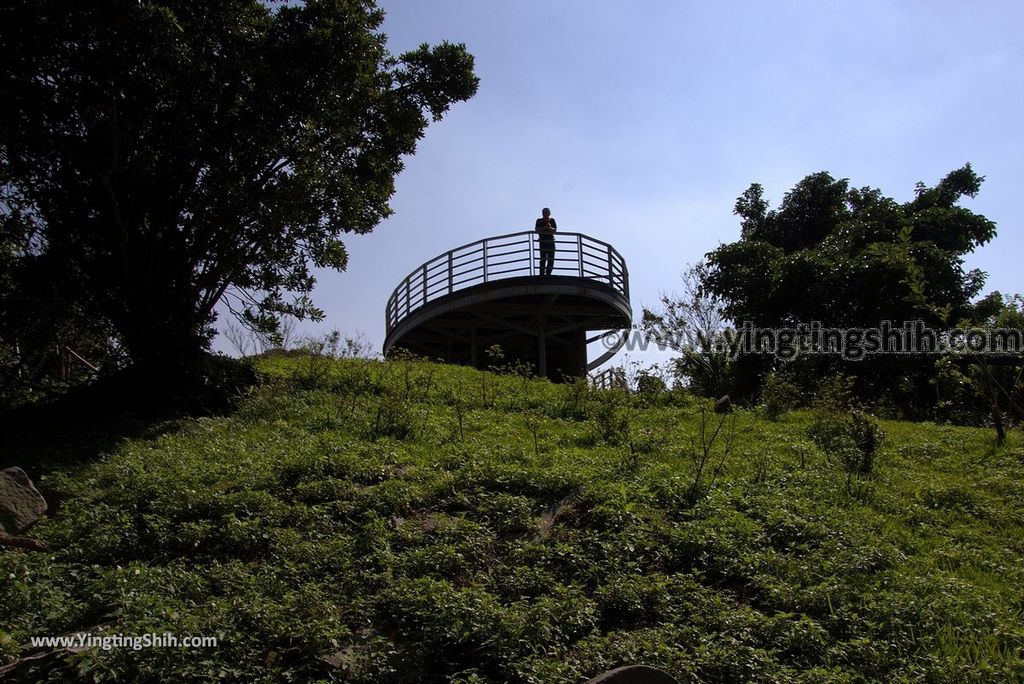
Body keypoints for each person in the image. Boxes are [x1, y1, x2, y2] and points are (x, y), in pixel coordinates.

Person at [535, 207, 557, 276]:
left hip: (550, 242)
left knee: (551, 259)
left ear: (549, 213)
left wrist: (549, 227)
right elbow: (537, 230)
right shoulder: (539, 221)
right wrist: (545, 227)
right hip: (543, 242)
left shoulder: (552, 220)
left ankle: (548, 274)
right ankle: (542, 274)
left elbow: (554, 230)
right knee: (543, 259)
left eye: (547, 212)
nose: (546, 214)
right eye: (545, 213)